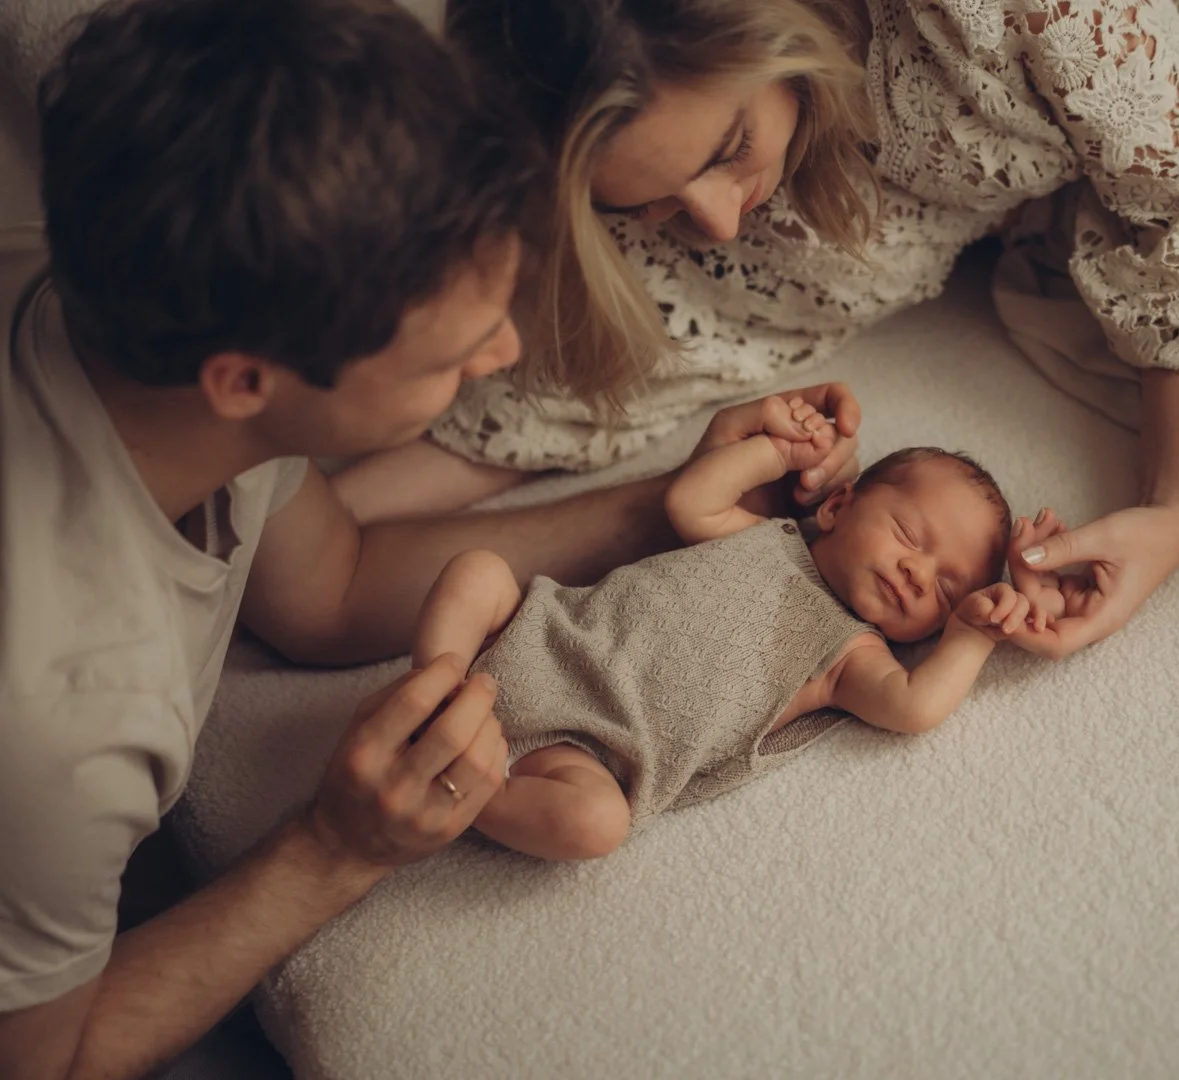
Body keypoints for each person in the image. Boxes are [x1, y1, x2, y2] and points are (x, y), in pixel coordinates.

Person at [0, 0, 860, 1076]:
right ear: (247, 381)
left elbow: (326, 591)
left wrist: (673, 503)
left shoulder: (106, 293)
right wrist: (332, 850)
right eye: (448, 350)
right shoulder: (60, 723)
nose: (502, 353)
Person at [332, 0, 1179, 663]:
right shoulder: (653, 240)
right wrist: (697, 499)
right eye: (654, 204)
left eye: (727, 150)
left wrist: (1176, 510)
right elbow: (322, 588)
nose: (718, 216)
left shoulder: (1014, 25)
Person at [414, 401, 1029, 860]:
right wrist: (781, 453)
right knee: (478, 572)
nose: (916, 573)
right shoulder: (769, 539)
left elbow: (914, 705)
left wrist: (972, 637)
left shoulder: (848, 654)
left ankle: (462, 789)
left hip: (583, 750)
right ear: (838, 506)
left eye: (947, 589)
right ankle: (429, 694)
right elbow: (691, 499)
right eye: (908, 535)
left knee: (596, 826)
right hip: (542, 633)